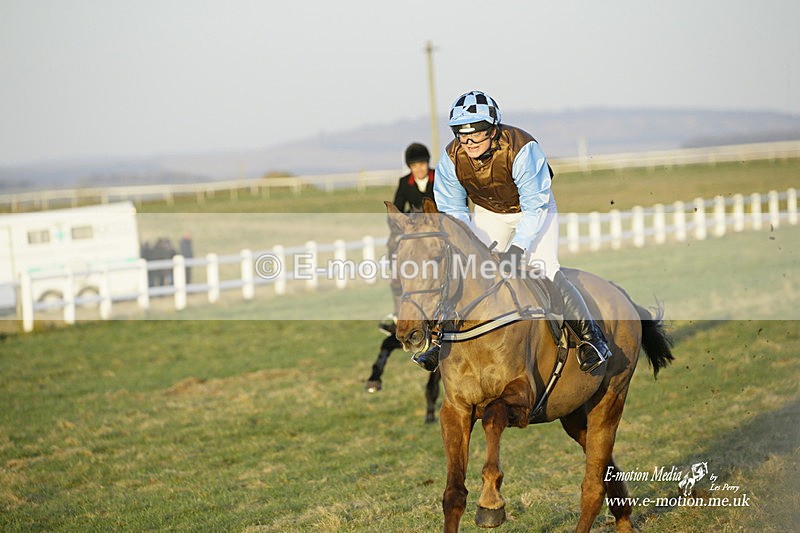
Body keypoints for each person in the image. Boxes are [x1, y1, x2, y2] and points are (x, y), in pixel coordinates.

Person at [411, 90, 612, 373]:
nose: (468, 141)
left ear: (493, 131)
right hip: (490, 213)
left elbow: (534, 205)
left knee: (545, 269)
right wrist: (467, 246)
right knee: (462, 269)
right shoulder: (450, 158)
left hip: (533, 212)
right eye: (461, 134)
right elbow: (453, 211)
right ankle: (439, 340)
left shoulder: (522, 148)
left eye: (476, 134)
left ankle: (593, 340)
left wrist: (518, 249)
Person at [393, 142, 435, 213]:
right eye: (414, 166)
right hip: (415, 221)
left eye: (422, 164)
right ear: (410, 167)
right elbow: (396, 211)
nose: (419, 170)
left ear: (427, 163)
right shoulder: (404, 182)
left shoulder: (439, 178)